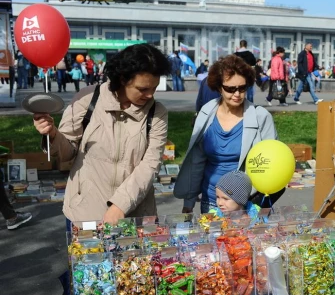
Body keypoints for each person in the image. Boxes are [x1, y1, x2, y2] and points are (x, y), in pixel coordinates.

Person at [33, 44, 171, 225]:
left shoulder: (157, 112)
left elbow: (150, 165)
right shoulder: (88, 97)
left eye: (154, 88)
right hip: (85, 214)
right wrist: (51, 134)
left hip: (135, 215)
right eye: (143, 89)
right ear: (123, 79)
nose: (150, 95)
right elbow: (67, 153)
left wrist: (120, 205)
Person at [175, 55, 278, 214]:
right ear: (218, 87)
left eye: (242, 88)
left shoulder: (261, 117)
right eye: (230, 89)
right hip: (211, 201)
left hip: (247, 204)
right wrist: (188, 202)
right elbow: (196, 161)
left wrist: (260, 205)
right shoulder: (206, 114)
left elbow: (273, 166)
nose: (237, 94)